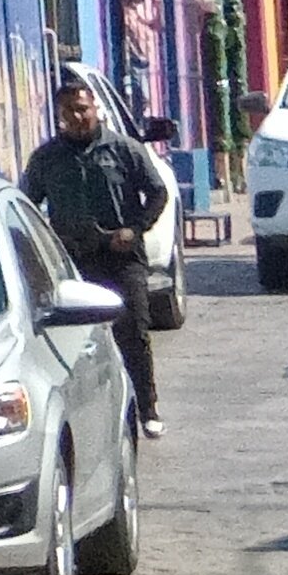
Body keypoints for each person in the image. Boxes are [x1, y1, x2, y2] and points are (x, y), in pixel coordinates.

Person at [25, 74, 173, 427]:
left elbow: (157, 192)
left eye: (82, 109)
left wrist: (134, 229)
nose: (77, 117)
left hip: (121, 258)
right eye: (67, 112)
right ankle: (88, 414)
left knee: (133, 331)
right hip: (73, 263)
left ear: (95, 109)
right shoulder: (47, 158)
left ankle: (147, 409)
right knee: (76, 341)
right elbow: (27, 205)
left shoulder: (123, 149)